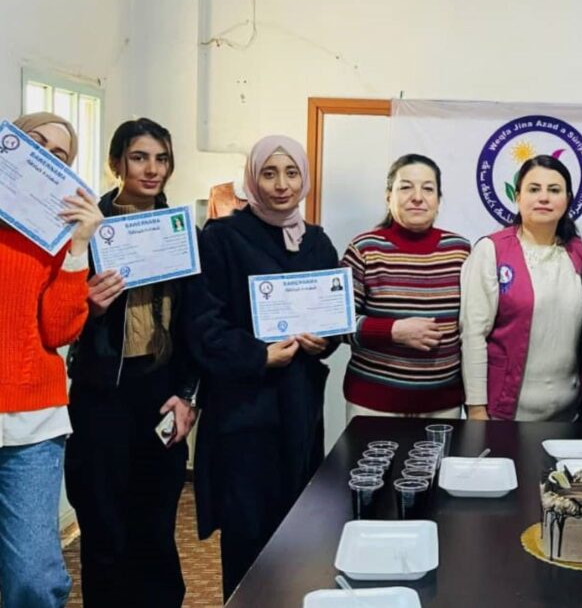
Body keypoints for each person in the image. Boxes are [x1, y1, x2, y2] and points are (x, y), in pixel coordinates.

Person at [186, 135, 341, 600]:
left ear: (305, 180)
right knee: (248, 537)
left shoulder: (316, 241)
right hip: (243, 414)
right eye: (269, 174)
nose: (281, 185)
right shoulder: (222, 237)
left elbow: (332, 317)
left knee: (299, 536)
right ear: (252, 179)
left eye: (291, 173)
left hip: (299, 410)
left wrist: (324, 341)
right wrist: (258, 355)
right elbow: (202, 324)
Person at [63, 118, 198, 607]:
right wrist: (89, 308)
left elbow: (195, 329)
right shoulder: (85, 226)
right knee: (104, 530)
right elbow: (56, 317)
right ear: (116, 162)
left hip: (160, 390)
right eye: (140, 157)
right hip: (101, 395)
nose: (152, 169)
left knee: (157, 528)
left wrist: (188, 395)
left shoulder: (183, 229)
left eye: (161, 159)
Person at [0, 112, 102, 608]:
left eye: (57, 154)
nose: (42, 154)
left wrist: (79, 244)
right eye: (32, 141)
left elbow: (60, 330)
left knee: (33, 579)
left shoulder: (58, 234)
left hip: (31, 426)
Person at [340, 154, 470, 419]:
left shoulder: (461, 251)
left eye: (428, 188)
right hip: (372, 405)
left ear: (439, 200)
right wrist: (393, 330)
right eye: (406, 187)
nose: (418, 197)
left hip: (443, 406)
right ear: (388, 196)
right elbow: (337, 324)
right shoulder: (364, 248)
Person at [461, 155, 582, 421]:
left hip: (569, 414)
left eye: (554, 190)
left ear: (568, 198)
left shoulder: (576, 251)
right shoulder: (492, 250)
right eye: (533, 189)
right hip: (505, 413)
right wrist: (476, 408)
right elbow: (473, 334)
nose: (544, 198)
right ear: (517, 197)